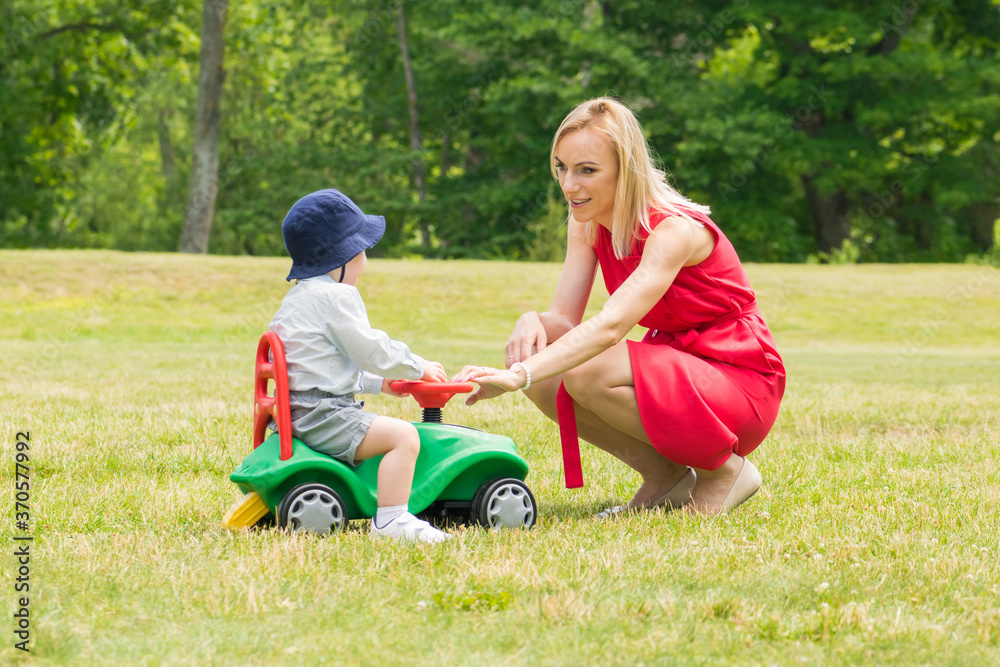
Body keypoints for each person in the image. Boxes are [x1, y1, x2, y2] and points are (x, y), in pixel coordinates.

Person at [454, 98, 785, 516]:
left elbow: (611, 327)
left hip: (739, 379)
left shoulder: (674, 230)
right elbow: (563, 321)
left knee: (582, 369)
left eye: (587, 170)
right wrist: (531, 322)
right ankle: (667, 476)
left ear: (625, 169)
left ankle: (726, 471)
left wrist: (518, 374)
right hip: (678, 369)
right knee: (546, 374)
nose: (569, 185)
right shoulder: (586, 222)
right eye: (561, 167)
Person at [270, 188, 451, 542]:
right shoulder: (338, 296)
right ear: (342, 256)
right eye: (362, 250)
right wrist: (418, 366)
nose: (365, 259)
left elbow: (321, 365)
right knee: (404, 436)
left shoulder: (297, 298)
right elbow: (371, 350)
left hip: (297, 413)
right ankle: (392, 520)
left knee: (393, 431)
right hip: (324, 416)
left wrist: (380, 385)